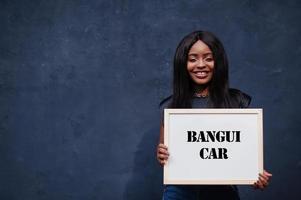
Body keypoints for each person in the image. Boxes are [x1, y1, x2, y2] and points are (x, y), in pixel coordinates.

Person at [156, 30, 272, 200]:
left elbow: (243, 152)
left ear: (218, 63)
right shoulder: (171, 106)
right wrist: (161, 155)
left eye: (208, 58)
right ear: (183, 63)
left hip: (222, 192)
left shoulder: (236, 101)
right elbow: (164, 155)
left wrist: (254, 173)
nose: (201, 64)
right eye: (193, 59)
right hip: (180, 192)